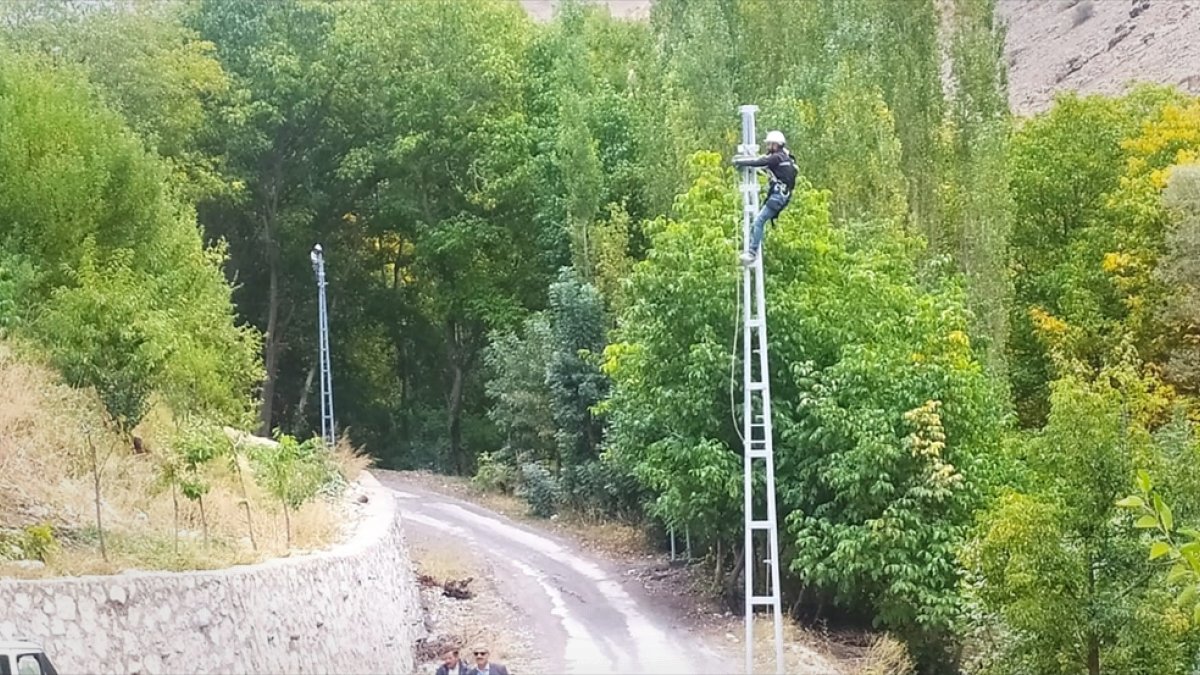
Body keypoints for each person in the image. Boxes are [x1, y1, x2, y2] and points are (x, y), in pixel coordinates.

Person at [732, 130, 797, 265]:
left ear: (776, 145)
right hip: (781, 196)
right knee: (757, 222)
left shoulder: (777, 158)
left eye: (770, 145)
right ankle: (750, 246)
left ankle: (752, 252)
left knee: (758, 221)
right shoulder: (785, 157)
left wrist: (740, 162)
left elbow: (759, 161)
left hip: (778, 196)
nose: (768, 148)